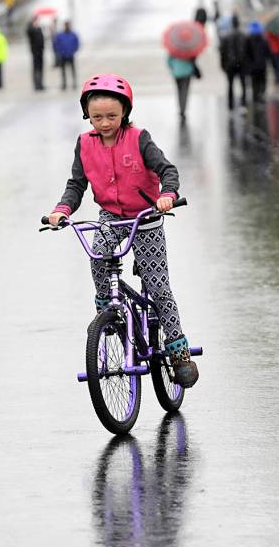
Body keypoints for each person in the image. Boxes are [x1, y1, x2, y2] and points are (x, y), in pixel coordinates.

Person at [44, 74, 199, 388]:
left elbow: (166, 169)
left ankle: (178, 349)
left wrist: (167, 194)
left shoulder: (139, 137)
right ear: (87, 114)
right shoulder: (85, 144)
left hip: (146, 219)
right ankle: (107, 311)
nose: (104, 123)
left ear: (125, 113)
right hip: (111, 218)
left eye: (112, 116)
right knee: (97, 252)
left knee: (158, 286)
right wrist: (61, 210)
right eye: (97, 116)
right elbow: (76, 185)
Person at [218, 15, 247, 109]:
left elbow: (222, 52)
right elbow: (248, 51)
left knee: (230, 85)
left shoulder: (226, 37)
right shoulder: (244, 36)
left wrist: (223, 64)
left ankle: (230, 104)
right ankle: (243, 103)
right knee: (243, 85)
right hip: (242, 64)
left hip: (230, 64)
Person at [244, 21, 271, 104]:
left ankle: (255, 97)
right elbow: (268, 53)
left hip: (252, 66)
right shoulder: (264, 40)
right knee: (262, 81)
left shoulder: (248, 40)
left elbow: (246, 53)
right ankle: (261, 95)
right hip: (262, 65)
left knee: (254, 82)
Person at [167, 54, 199, 120]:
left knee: (179, 91)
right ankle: (183, 109)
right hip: (187, 73)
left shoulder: (174, 49)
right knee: (185, 92)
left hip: (177, 72)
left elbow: (169, 61)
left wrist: (173, 67)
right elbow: (193, 60)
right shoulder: (189, 49)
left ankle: (181, 108)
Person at [53, 21, 80, 91]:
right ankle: (64, 84)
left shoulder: (73, 34)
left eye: (68, 25)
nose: (67, 26)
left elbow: (77, 43)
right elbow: (56, 44)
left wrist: (74, 50)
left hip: (71, 55)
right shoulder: (60, 35)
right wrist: (60, 51)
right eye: (66, 25)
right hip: (63, 56)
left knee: (72, 70)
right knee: (63, 71)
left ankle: (74, 83)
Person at [27, 16, 45, 91]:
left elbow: (42, 40)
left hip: (40, 52)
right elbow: (28, 32)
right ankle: (36, 85)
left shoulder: (39, 29)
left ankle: (41, 84)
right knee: (36, 69)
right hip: (35, 52)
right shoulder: (31, 29)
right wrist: (32, 25)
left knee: (41, 68)